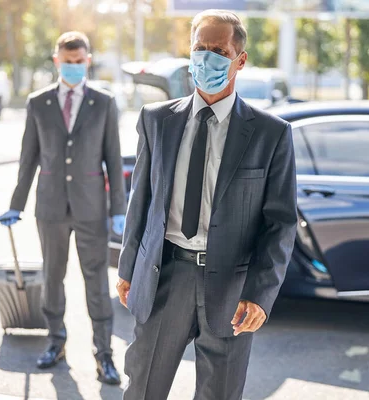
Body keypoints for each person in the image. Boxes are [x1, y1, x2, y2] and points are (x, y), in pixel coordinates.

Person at [117, 10, 297, 400]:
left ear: (240, 60)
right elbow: (142, 198)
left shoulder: (271, 134)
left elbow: (281, 223)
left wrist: (261, 293)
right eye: (200, 48)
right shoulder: (156, 119)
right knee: (143, 388)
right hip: (165, 272)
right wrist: (128, 265)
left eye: (219, 50)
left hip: (232, 288)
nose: (207, 58)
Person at [0, 31, 126, 385]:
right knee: (53, 278)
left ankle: (104, 355)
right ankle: (56, 343)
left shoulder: (103, 102)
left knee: (96, 283)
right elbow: (29, 158)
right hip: (50, 207)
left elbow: (113, 160)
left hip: (91, 208)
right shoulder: (39, 103)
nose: (73, 67)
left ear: (88, 61)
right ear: (57, 61)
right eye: (67, 62)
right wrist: (16, 205)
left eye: (79, 61)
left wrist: (118, 209)